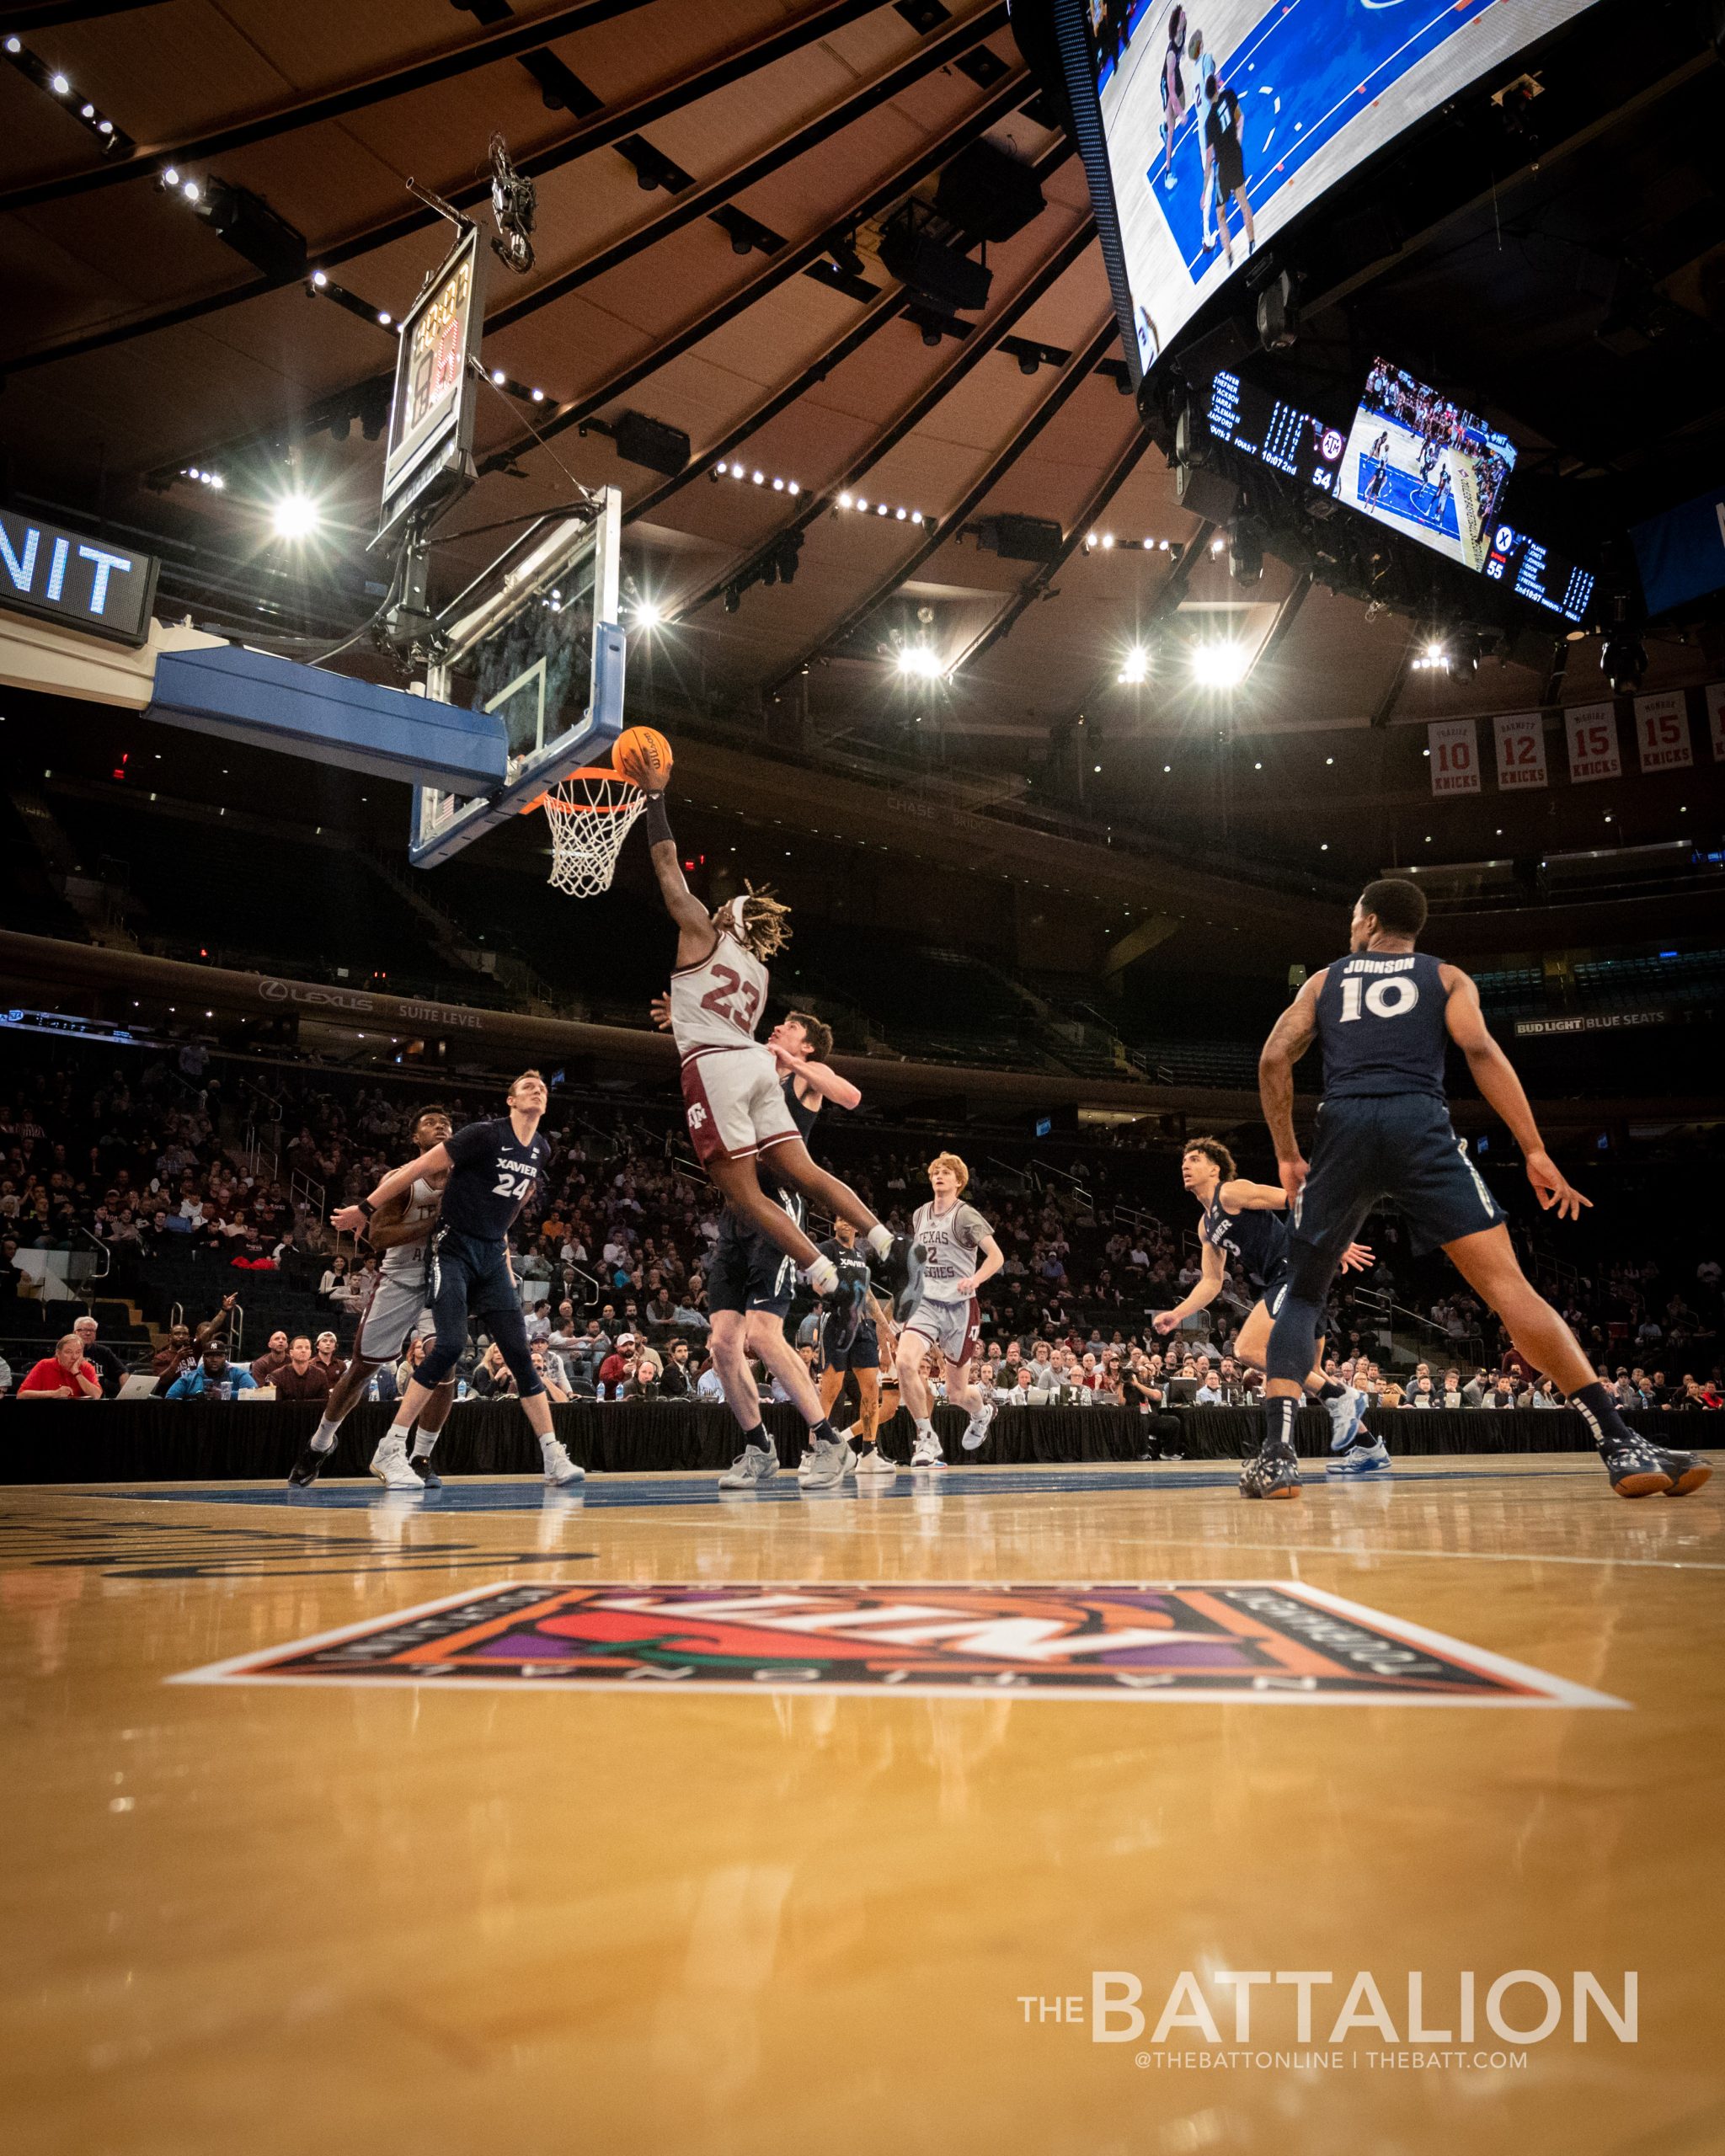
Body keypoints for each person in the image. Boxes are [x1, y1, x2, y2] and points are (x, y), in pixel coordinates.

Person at [1246, 877, 1711, 1502]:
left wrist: (1286, 1153)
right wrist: (1535, 1150)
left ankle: (1277, 1457)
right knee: (1507, 1288)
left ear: (1369, 920)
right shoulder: (1446, 977)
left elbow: (1275, 1058)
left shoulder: (1325, 981)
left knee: (1302, 1295)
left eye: (1354, 915)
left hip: (1346, 1124)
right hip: (1419, 1121)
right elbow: (1480, 1049)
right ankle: (1620, 1442)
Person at [638, 775, 900, 1357]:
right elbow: (716, 1013)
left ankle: (829, 1279)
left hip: (718, 1066)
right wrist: (680, 1012)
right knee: (804, 1173)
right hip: (750, 1062)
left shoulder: (702, 931)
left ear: (726, 918)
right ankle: (885, 1242)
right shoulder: (758, 972)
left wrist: (654, 799)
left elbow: (665, 868)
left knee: (743, 1192)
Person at [647, 994, 866, 1495]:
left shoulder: (804, 1080)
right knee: (723, 1343)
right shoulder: (756, 1073)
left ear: (807, 1045)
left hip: (779, 1211)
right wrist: (686, 1020)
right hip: (737, 1212)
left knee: (764, 1337)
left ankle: (831, 1442)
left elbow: (850, 1097)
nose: (778, 1028)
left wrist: (793, 1062)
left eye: (789, 1027)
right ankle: (758, 1448)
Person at [330, 1073, 585, 1491]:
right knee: (449, 1345)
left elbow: (513, 1202)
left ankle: (553, 1455)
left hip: (489, 1256)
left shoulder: (541, 1148)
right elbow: (416, 1167)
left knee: (521, 1354)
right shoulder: (484, 1135)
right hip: (453, 1249)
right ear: (510, 1100)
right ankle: (391, 1447)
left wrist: (503, 1255)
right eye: (527, 1086)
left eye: (542, 1087)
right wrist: (364, 1207)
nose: (537, 1089)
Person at [1154, 1137, 1376, 1463]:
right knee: (1313, 1373)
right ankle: (1370, 1446)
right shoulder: (1205, 1226)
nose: (1186, 1165)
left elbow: (1296, 1199)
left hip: (1294, 1271)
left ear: (1215, 1169)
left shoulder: (1231, 1192)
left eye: (1195, 1160)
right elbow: (1213, 1282)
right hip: (1292, 1278)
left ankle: (1342, 1398)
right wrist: (1177, 1313)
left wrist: (1334, 1242)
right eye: (1184, 1161)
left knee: (1248, 1350)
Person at [291, 1106, 458, 1490]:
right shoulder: (401, 1180)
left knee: (445, 1365)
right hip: (401, 1276)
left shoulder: (465, 1179)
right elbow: (378, 1238)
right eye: (431, 1123)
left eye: (447, 1124)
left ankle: (420, 1457)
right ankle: (319, 1445)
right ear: (417, 1139)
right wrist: (436, 1221)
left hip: (446, 1278)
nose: (441, 1127)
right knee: (362, 1370)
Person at [895, 1152, 1003, 1468]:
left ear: (959, 1181)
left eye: (946, 1172)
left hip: (959, 1306)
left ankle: (983, 1413)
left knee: (957, 1394)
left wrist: (975, 1279)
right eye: (935, 1172)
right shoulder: (919, 1215)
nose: (939, 1176)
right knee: (904, 1363)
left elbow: (996, 1257)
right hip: (926, 1301)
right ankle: (927, 1438)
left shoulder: (965, 1215)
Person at [812, 1214, 901, 1481]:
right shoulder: (827, 1249)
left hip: (864, 1327)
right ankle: (815, 1451)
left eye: (850, 1219)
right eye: (841, 1219)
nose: (846, 1223)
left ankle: (868, 1453)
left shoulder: (860, 1255)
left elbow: (870, 1297)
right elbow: (818, 1285)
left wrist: (885, 1331)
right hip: (838, 1320)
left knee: (871, 1390)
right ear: (834, 1225)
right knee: (830, 1389)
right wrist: (840, 1295)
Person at [1204, 67, 1253, 267]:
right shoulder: (1230, 95)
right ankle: (1252, 242)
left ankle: (1230, 257)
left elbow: (1209, 159)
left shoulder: (1209, 123)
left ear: (1207, 97)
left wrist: (1204, 189)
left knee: (1220, 216)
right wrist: (1237, 140)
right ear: (1217, 86)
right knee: (1244, 203)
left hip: (1222, 169)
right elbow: (1240, 120)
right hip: (1236, 157)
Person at [18, 1332, 104, 1400]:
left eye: (78, 1352)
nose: (74, 1357)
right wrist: (54, 1394)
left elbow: (97, 1395)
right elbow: (21, 1395)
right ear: (58, 1353)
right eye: (69, 1352)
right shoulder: (44, 1365)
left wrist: (77, 1373)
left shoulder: (86, 1367)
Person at [165, 1346, 258, 1401]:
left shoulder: (238, 1374)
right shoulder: (190, 1377)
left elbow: (254, 1394)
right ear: (203, 1358)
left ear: (226, 1358)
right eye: (210, 1356)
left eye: (219, 1356)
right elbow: (170, 1398)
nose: (214, 1360)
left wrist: (225, 1394)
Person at [70, 1314, 125, 1399]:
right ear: (74, 1333)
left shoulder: (103, 1351)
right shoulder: (65, 1351)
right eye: (84, 1330)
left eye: (92, 1330)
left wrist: (125, 1396)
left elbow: (122, 1372)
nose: (88, 1333)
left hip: (98, 1401)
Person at [273, 1336, 331, 1406]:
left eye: (307, 1348)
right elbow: (276, 1405)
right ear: (291, 1353)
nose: (303, 1350)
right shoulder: (278, 1375)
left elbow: (324, 1403)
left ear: (310, 1352)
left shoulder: (320, 1374)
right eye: (299, 1347)